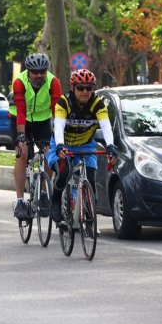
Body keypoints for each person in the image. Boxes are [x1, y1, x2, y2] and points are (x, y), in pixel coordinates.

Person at [47, 68, 118, 226]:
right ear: (73, 88)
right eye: (80, 88)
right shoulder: (63, 102)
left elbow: (106, 127)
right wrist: (59, 145)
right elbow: (58, 126)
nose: (85, 91)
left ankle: (89, 217)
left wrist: (111, 145)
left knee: (91, 180)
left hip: (86, 145)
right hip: (62, 145)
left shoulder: (97, 104)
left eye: (89, 88)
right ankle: (56, 199)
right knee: (64, 173)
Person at [9, 53, 63, 220]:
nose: (39, 75)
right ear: (28, 71)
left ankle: (44, 193)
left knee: (49, 152)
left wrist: (58, 135)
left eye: (42, 71)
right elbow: (21, 111)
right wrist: (20, 136)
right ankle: (19, 200)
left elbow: (57, 111)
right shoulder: (19, 82)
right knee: (23, 152)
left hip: (43, 121)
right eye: (35, 72)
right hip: (20, 119)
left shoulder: (54, 82)